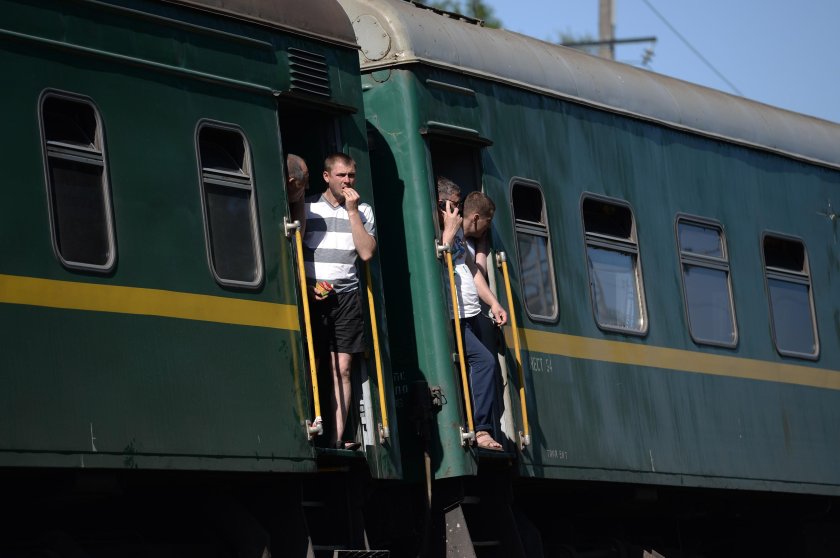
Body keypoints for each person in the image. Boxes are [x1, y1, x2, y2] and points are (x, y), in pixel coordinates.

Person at [288, 153, 376, 450]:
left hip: (346, 297)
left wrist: (352, 213)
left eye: (351, 175)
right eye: (341, 176)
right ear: (327, 177)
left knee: (343, 368)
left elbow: (366, 253)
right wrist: (306, 285)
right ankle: (308, 432)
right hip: (311, 295)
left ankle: (336, 438)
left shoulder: (363, 210)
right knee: (309, 362)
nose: (347, 181)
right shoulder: (308, 206)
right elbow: (293, 247)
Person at [437, 177, 507, 451]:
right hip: (451, 315)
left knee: (481, 364)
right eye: (454, 205)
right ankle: (481, 429)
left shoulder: (458, 236)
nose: (458, 209)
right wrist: (448, 233)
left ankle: (479, 428)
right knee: (484, 362)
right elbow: (437, 261)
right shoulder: (439, 230)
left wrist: (494, 303)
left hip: (468, 313)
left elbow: (472, 271)